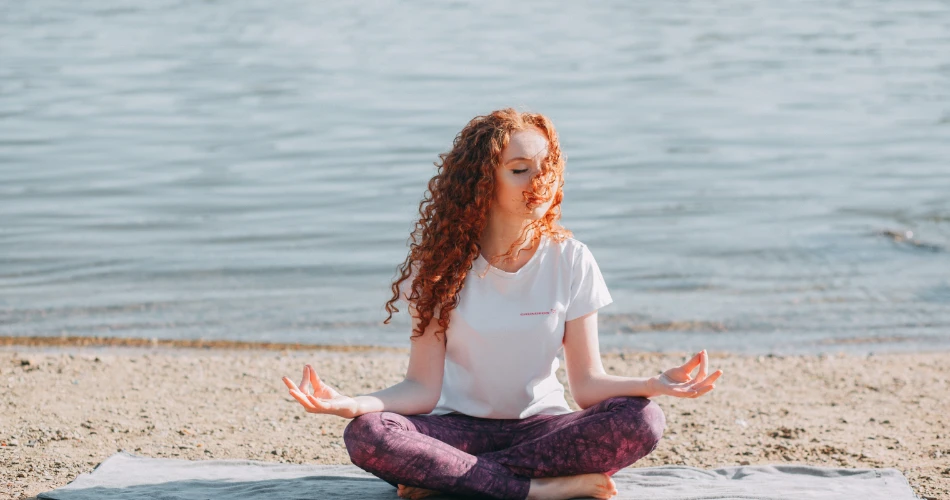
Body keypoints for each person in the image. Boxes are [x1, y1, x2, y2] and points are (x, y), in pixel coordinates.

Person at [282, 108, 723, 500]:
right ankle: (537, 489)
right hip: (457, 429)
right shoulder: (438, 266)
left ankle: (450, 480)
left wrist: (655, 383)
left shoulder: (571, 258)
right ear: (481, 184)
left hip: (542, 431)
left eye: (546, 166)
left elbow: (587, 386)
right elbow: (420, 389)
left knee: (643, 419)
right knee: (369, 434)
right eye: (520, 170)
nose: (540, 180)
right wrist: (355, 403)